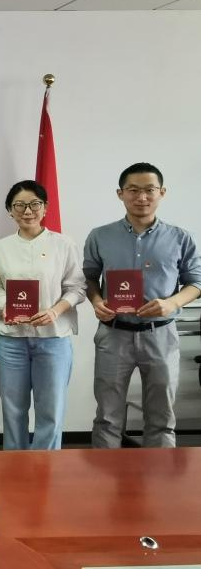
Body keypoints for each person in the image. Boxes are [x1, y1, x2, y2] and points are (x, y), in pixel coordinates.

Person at [83, 162, 201, 448]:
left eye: (149, 190)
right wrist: (96, 301)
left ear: (162, 192)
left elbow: (196, 282)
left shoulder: (180, 237)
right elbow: (89, 277)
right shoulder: (100, 236)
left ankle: (159, 476)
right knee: (107, 417)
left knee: (162, 417)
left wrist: (172, 303)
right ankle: (106, 475)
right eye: (133, 190)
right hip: (114, 333)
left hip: (160, 334)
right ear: (120, 193)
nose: (142, 197)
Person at [0, 180, 86, 450]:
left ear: (45, 208)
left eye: (34, 204)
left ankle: (46, 466)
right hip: (12, 340)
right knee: (13, 411)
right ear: (10, 210)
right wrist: (4, 306)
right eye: (19, 205)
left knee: (50, 411)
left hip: (53, 338)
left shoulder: (64, 244)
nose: (27, 210)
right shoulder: (0, 248)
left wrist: (55, 310)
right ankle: (15, 464)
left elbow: (77, 288)